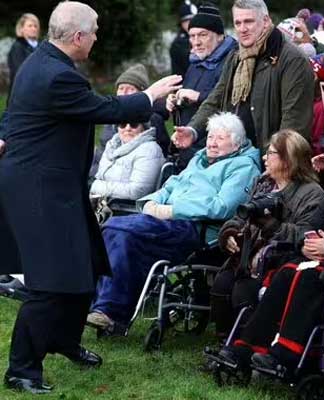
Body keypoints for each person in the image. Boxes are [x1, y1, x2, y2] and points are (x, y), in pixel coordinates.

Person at [0, 2, 181, 394]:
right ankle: (22, 369)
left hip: (55, 182)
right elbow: (104, 109)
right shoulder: (55, 74)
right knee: (49, 283)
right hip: (40, 188)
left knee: (84, 264)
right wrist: (149, 97)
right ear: (78, 37)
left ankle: (64, 341)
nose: (98, 36)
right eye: (95, 30)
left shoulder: (45, 62)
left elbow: (17, 116)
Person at [218, 144, 324, 373]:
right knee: (285, 273)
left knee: (308, 278)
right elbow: (309, 227)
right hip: (315, 259)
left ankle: (287, 351)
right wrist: (306, 244)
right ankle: (247, 347)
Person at [87, 112, 261, 331]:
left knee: (120, 229)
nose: (212, 143)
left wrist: (172, 210)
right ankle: (106, 310)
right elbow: (171, 185)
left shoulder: (243, 167)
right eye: (210, 137)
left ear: (236, 143)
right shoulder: (199, 159)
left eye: (220, 138)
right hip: (167, 222)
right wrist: (151, 203)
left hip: (197, 229)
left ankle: (109, 310)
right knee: (115, 230)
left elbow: (222, 206)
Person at [210, 129, 324, 337]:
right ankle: (223, 340)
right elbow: (241, 216)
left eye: (271, 153)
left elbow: (305, 234)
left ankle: (245, 345)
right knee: (221, 285)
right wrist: (229, 233)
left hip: (277, 262)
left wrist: (272, 226)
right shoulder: (263, 183)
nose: (265, 157)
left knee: (242, 292)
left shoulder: (311, 193)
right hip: (245, 257)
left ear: (288, 159)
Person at [171, 0, 315, 152]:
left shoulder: (292, 59)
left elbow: (293, 122)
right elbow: (216, 100)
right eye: (237, 23)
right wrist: (192, 131)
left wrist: (275, 157)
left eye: (248, 22)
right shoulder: (237, 55)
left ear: (265, 21)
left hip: (270, 159)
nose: (242, 29)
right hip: (236, 154)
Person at [165, 4, 238, 168]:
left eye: (202, 35)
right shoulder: (196, 61)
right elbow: (188, 95)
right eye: (192, 36)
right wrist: (175, 101)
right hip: (189, 145)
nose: (195, 42)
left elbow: (232, 100)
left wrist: (197, 96)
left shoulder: (233, 61)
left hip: (215, 152)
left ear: (220, 36)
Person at [90, 64, 169, 178]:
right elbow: (102, 151)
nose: (124, 93)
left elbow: (159, 155)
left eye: (130, 89)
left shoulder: (152, 119)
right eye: (121, 88)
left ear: (142, 94)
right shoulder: (111, 117)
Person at [90, 120, 166, 201]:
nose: (128, 128)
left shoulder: (149, 150)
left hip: (123, 207)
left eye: (134, 124)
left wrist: (94, 186)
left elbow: (138, 191)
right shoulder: (112, 145)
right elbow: (99, 176)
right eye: (122, 124)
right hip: (102, 201)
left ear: (143, 127)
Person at [7, 13, 40, 101]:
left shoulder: (41, 47)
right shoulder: (17, 47)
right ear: (21, 29)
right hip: (21, 95)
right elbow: (20, 72)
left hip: (39, 93)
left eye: (35, 26)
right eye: (30, 26)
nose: (33, 28)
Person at [170, 0, 197, 77]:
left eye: (193, 19)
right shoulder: (178, 44)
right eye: (187, 21)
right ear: (181, 23)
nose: (191, 23)